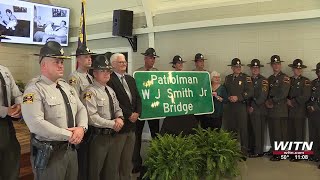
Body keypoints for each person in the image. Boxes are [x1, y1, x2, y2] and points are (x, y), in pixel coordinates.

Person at [21, 41, 88, 180]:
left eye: (62, 62)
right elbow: (35, 123)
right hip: (50, 153)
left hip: (71, 150)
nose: (61, 65)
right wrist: (68, 135)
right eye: (56, 61)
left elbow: (81, 108)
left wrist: (81, 128)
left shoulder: (66, 86)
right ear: (43, 65)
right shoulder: (34, 90)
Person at [82, 55, 124, 180]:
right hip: (98, 139)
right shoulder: (89, 92)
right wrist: (113, 124)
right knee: (95, 172)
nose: (106, 74)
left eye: (108, 71)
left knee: (111, 171)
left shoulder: (110, 90)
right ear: (94, 73)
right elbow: (92, 118)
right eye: (102, 71)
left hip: (113, 136)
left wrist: (120, 118)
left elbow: (117, 108)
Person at [107, 53, 142, 180]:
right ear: (113, 65)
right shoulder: (110, 80)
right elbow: (115, 102)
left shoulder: (130, 79)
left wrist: (138, 113)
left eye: (125, 61)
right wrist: (128, 115)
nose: (124, 64)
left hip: (132, 127)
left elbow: (138, 97)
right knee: (116, 160)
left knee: (128, 160)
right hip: (120, 127)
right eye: (121, 62)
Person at [68, 44, 95, 180]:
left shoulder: (90, 77)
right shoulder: (75, 77)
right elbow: (74, 102)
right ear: (78, 59)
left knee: (90, 158)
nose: (89, 59)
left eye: (90, 57)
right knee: (82, 159)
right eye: (86, 57)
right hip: (82, 122)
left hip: (91, 121)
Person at [133, 48, 160, 175]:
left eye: (154, 58)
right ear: (145, 58)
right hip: (141, 110)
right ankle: (136, 163)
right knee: (137, 136)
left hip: (153, 109)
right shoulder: (138, 73)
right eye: (150, 58)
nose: (152, 60)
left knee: (156, 135)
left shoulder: (157, 73)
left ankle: (156, 160)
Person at [160, 55, 198, 136]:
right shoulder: (169, 77)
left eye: (181, 63)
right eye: (178, 63)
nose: (180, 64)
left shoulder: (186, 76)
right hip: (174, 108)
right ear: (174, 65)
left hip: (185, 107)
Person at [223, 58, 253, 155]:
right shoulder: (227, 78)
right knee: (231, 129)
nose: (238, 68)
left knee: (243, 129)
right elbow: (225, 91)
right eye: (236, 66)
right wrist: (228, 97)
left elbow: (250, 92)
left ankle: (244, 152)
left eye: (239, 66)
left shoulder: (246, 78)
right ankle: (232, 150)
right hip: (230, 107)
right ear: (232, 67)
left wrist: (238, 97)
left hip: (241, 107)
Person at [265, 55, 290, 161]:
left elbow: (283, 93)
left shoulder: (285, 78)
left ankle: (280, 153)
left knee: (279, 133)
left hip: (280, 110)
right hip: (270, 110)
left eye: (278, 64)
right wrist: (266, 101)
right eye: (274, 64)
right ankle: (275, 149)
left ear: (280, 65)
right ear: (271, 65)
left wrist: (271, 101)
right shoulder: (270, 78)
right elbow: (266, 92)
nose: (276, 66)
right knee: (273, 131)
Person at [0, 64, 23, 180]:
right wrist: (5, 110)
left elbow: (17, 94)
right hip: (4, 116)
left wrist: (19, 105)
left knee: (12, 163)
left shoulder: (4, 70)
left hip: (7, 126)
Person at [287, 59, 311, 162]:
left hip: (299, 110)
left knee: (299, 133)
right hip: (289, 110)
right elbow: (285, 92)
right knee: (291, 132)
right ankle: (292, 152)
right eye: (296, 68)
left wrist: (293, 102)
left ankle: (298, 154)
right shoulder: (289, 79)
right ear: (293, 69)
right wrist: (287, 100)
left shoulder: (305, 81)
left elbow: (306, 96)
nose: (298, 70)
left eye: (300, 69)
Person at [246, 59, 268, 158]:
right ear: (251, 68)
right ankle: (251, 149)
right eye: (253, 68)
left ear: (259, 69)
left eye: (257, 68)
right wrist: (248, 106)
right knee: (251, 130)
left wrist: (253, 106)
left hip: (259, 109)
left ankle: (259, 151)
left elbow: (263, 96)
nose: (255, 69)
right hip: (249, 109)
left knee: (258, 130)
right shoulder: (248, 79)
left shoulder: (263, 80)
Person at [307, 63, 320, 168]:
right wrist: (309, 106)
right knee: (314, 135)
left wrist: (315, 107)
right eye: (318, 71)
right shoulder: (314, 83)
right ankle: (315, 155)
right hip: (312, 114)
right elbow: (309, 97)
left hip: (318, 111)